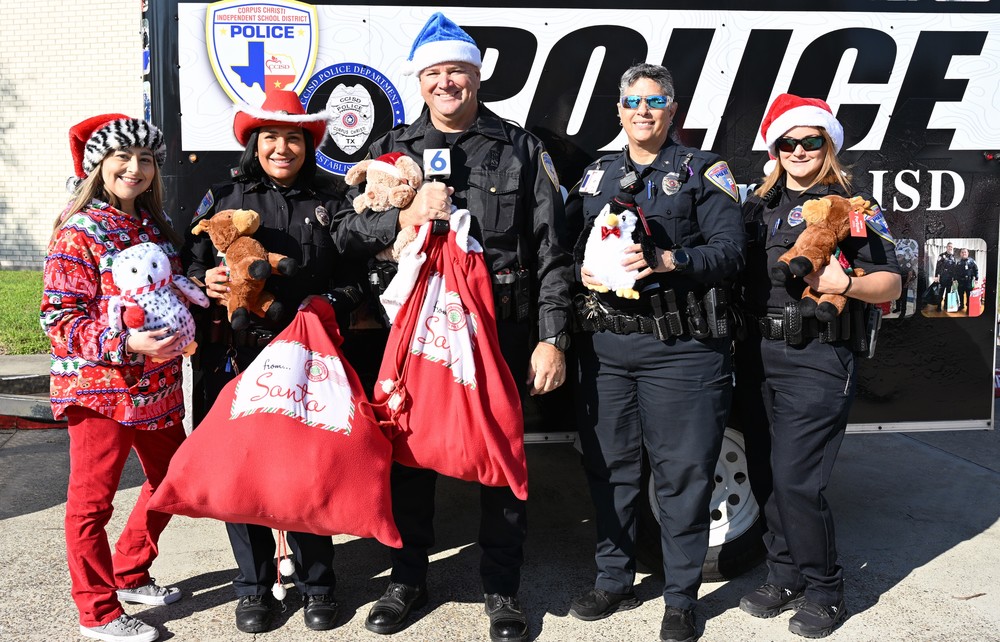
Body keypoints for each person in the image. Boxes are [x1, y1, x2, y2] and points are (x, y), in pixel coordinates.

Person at [332, 13, 573, 642]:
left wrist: (552, 337)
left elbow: (551, 250)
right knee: (408, 454)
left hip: (501, 328)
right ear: (420, 81)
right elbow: (346, 232)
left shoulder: (521, 148)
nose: (447, 83)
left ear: (477, 75)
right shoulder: (394, 149)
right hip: (416, 332)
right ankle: (407, 580)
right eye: (434, 73)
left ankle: (502, 589)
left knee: (497, 455)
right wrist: (401, 218)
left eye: (457, 72)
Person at [563, 63, 745, 642]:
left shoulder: (701, 171)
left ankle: (680, 597)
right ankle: (612, 580)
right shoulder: (595, 175)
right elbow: (565, 248)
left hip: (683, 350)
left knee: (682, 475)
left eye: (655, 100)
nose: (643, 110)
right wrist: (579, 268)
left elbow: (730, 252)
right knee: (609, 469)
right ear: (618, 109)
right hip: (608, 349)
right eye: (632, 100)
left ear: (673, 109)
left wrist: (671, 261)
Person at [182, 90, 361, 634]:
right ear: (252, 144)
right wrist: (202, 283)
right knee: (240, 474)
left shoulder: (335, 201)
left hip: (308, 358)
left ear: (309, 144)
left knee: (308, 471)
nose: (282, 148)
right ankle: (254, 587)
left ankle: (318, 585)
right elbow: (183, 272)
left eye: (293, 138)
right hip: (233, 358)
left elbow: (362, 275)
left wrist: (334, 304)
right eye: (270, 138)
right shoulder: (220, 197)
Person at [735, 94, 901, 638]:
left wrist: (847, 284)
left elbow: (893, 282)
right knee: (766, 474)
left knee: (797, 480)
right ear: (775, 149)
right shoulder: (756, 206)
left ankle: (826, 588)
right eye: (789, 141)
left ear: (828, 146)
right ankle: (784, 574)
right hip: (759, 355)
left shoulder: (853, 205)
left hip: (819, 356)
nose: (800, 149)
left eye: (811, 140)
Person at [42, 115, 187, 642]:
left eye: (145, 159)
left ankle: (129, 570)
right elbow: (59, 318)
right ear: (97, 166)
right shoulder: (78, 231)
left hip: (158, 389)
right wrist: (125, 343)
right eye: (122, 157)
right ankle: (98, 612)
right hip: (99, 390)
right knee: (90, 503)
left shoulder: (153, 225)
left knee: (174, 479)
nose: (135, 168)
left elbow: (166, 292)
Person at [934, 242, 956, 311]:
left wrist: (954, 278)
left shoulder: (953, 257)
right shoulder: (942, 255)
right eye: (949, 246)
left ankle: (946, 305)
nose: (950, 248)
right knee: (941, 292)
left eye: (951, 247)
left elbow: (954, 268)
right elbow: (937, 266)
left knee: (948, 292)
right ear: (946, 247)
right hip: (943, 277)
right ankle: (938, 306)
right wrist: (936, 276)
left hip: (950, 278)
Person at [954, 248, 978, 312]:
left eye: (965, 252)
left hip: (968, 282)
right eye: (962, 252)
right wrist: (954, 279)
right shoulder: (958, 262)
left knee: (968, 295)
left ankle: (969, 307)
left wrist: (976, 278)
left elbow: (976, 270)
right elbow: (956, 272)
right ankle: (961, 305)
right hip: (960, 282)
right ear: (960, 254)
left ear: (968, 253)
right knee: (960, 294)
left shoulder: (972, 261)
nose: (964, 253)